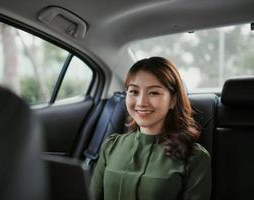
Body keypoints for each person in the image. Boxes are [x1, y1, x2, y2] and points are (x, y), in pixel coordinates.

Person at [90, 57, 211, 200]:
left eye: (154, 93)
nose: (141, 102)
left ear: (173, 100)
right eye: (134, 92)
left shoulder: (195, 157)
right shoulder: (111, 145)